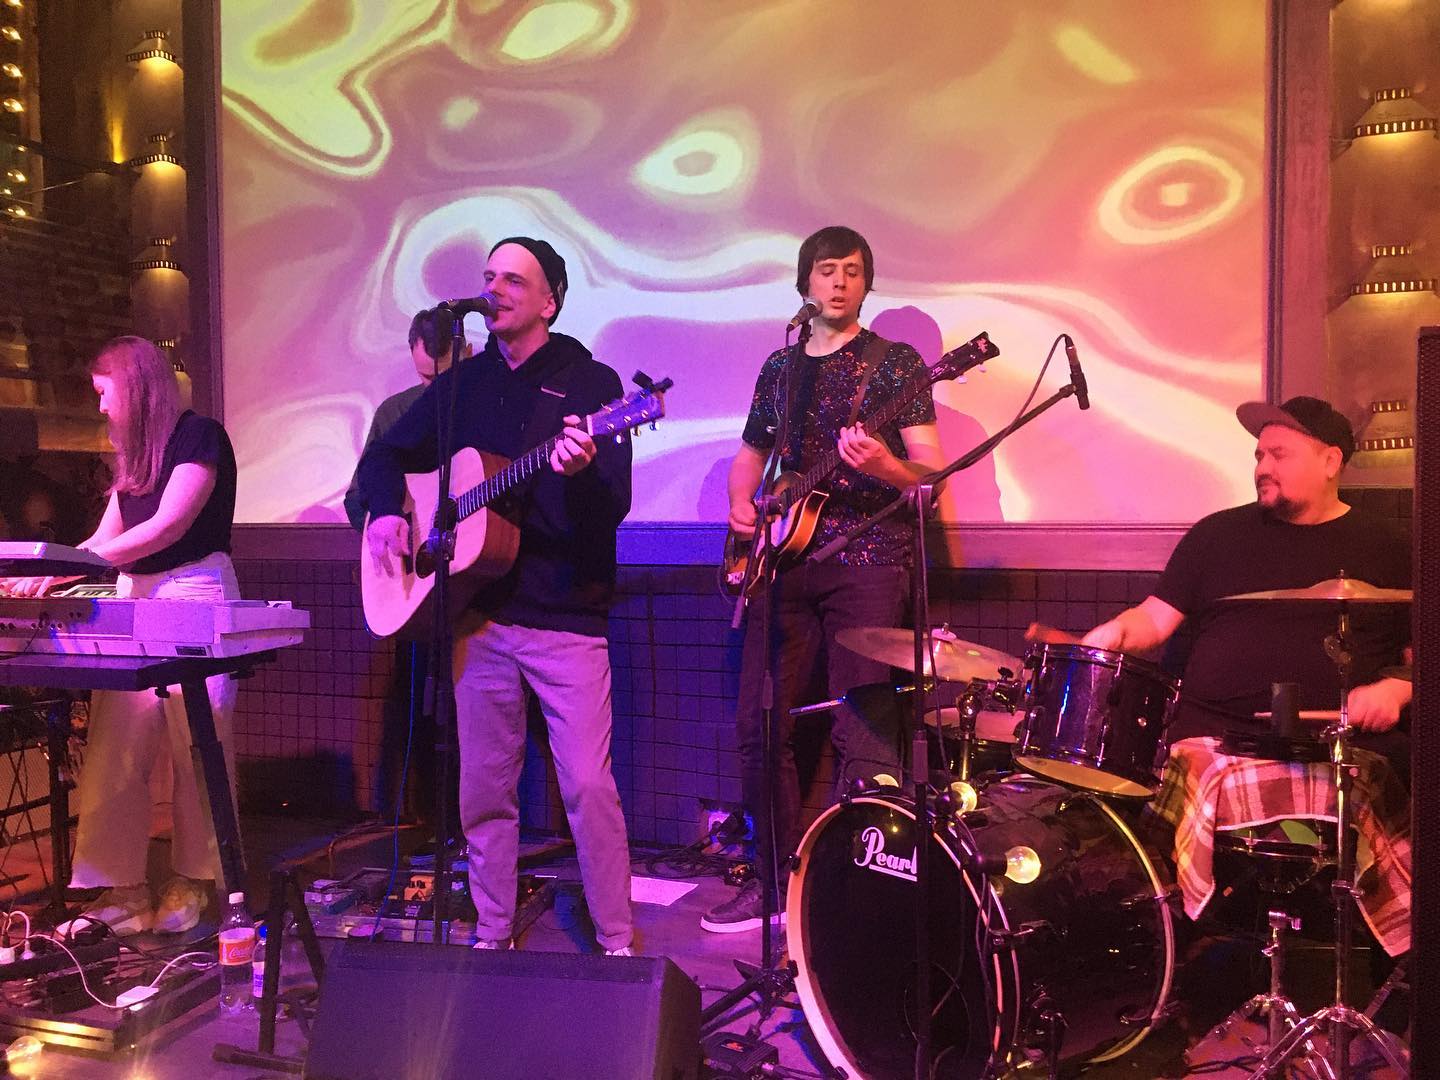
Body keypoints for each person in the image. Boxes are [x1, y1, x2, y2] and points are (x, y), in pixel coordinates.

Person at [357, 237, 636, 954]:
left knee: (587, 786)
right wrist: (387, 510)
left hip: (566, 616)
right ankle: (491, 933)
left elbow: (614, 504)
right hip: (477, 617)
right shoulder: (464, 384)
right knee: (483, 793)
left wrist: (580, 469)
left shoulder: (591, 384)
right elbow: (386, 453)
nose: (496, 289)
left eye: (514, 279)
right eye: (489, 277)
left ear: (550, 301)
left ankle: (617, 940)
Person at [702, 225, 944, 934]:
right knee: (758, 726)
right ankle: (772, 883)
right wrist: (741, 504)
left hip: (868, 562)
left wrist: (886, 467)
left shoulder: (896, 365)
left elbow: (932, 476)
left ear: (867, 284)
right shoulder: (781, 368)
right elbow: (752, 456)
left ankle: (856, 896)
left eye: (853, 271)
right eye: (827, 269)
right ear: (805, 283)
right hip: (785, 561)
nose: (839, 282)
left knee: (863, 729)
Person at [5, 336, 241, 935]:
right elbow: (100, 542)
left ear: (135, 387)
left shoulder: (200, 436)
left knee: (198, 740)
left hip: (193, 590)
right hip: (136, 593)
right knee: (117, 740)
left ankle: (193, 880)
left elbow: (169, 525)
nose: (101, 408)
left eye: (104, 393)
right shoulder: (134, 459)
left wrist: (75, 567)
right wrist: (50, 572)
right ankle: (122, 888)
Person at [1080, 396, 1411, 751]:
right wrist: (1117, 630)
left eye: (1279, 455)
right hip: (1211, 739)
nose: (1262, 468)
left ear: (1330, 462)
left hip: (1337, 746)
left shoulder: (1390, 545)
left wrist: (1397, 689)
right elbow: (1155, 618)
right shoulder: (1215, 534)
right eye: (1259, 456)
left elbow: (1422, 651)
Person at [344, 308, 467, 828]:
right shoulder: (396, 412)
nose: (432, 390)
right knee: (414, 710)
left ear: (467, 352)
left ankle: (467, 832)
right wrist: (386, 526)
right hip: (416, 586)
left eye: (442, 378)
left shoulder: (483, 402)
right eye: (424, 378)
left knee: (474, 717)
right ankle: (420, 825)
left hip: (476, 588)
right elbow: (360, 496)